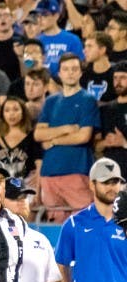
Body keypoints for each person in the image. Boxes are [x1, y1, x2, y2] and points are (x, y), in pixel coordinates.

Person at [34, 53, 98, 224]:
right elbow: (38, 134)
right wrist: (67, 129)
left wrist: (53, 140)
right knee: (56, 225)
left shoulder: (87, 100)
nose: (70, 73)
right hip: (49, 172)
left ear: (80, 73)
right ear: (60, 73)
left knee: (84, 221)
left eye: (74, 69)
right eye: (66, 69)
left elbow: (83, 136)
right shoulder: (51, 101)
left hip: (76, 170)